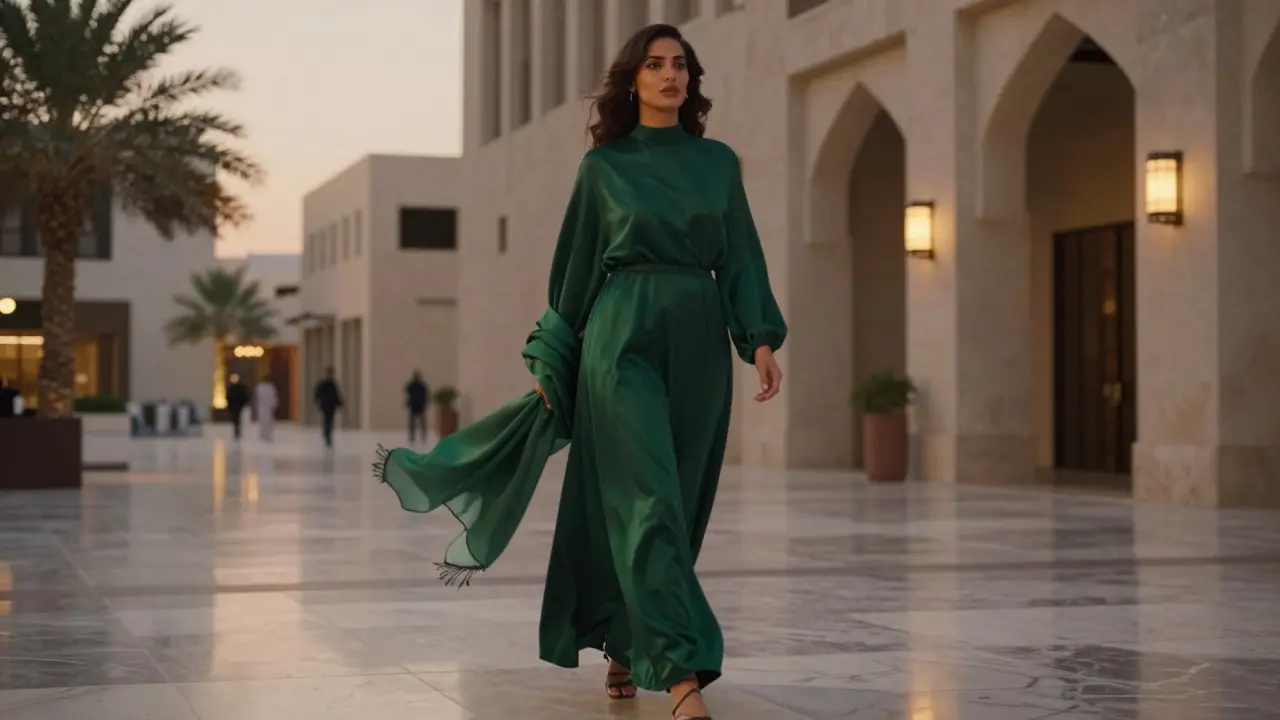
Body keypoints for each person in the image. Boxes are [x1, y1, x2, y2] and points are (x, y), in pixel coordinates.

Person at [373, 24, 783, 720]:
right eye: (654, 64)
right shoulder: (603, 168)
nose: (669, 75)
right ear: (633, 81)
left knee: (674, 508)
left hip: (699, 342)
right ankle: (682, 672)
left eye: (680, 64)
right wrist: (554, 359)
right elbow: (574, 272)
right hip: (620, 339)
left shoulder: (718, 163)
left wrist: (760, 338)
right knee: (648, 500)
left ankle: (625, 639)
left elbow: (740, 253)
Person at [313, 367, 343, 447]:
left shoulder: (327, 383)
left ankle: (327, 432)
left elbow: (335, 395)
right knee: (328, 419)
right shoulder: (330, 384)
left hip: (327, 405)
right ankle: (327, 432)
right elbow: (335, 395)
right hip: (329, 405)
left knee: (327, 419)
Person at [405, 370, 430, 445]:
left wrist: (425, 403)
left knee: (422, 423)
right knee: (412, 423)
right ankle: (412, 437)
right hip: (413, 406)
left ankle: (423, 436)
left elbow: (426, 396)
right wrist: (407, 403)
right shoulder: (411, 386)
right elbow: (407, 396)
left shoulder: (422, 386)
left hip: (420, 406)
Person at [254, 375, 278, 442]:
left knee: (265, 421)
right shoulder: (269, 387)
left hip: (265, 407)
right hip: (265, 407)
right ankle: (265, 435)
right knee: (266, 421)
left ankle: (265, 435)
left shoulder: (261, 387)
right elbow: (273, 397)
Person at [226, 374, 249, 440]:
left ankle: (237, 431)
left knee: (237, 419)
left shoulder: (240, 388)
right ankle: (236, 431)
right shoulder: (232, 388)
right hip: (234, 406)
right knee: (235, 419)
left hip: (238, 406)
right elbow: (228, 397)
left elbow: (244, 397)